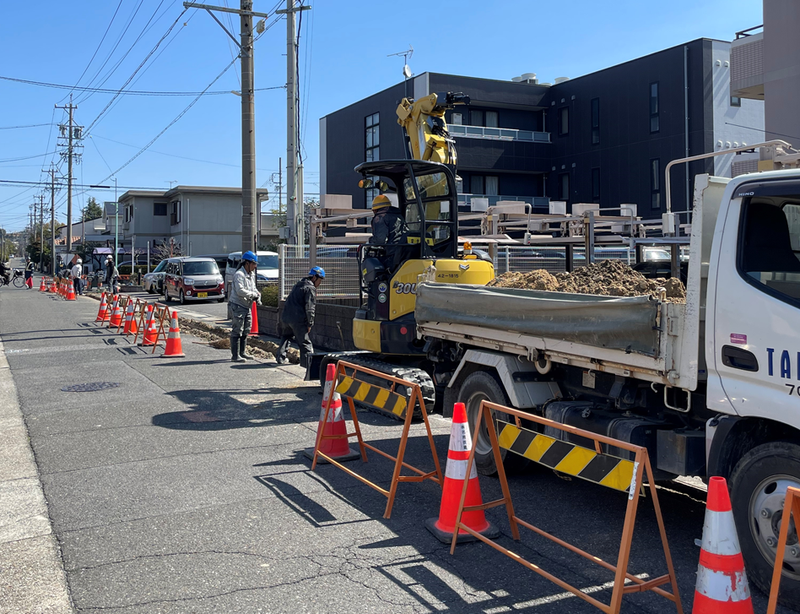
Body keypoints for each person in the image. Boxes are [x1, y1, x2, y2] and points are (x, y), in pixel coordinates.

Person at [277, 267, 324, 368]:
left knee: (286, 336)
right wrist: (309, 323)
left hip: (285, 317)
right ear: (314, 278)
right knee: (305, 342)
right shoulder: (310, 288)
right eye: (320, 280)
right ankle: (309, 365)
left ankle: (280, 358)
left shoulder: (298, 284)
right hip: (297, 319)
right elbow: (310, 308)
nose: (319, 283)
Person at [228, 250, 262, 362]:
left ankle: (242, 352)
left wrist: (257, 294)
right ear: (247, 263)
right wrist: (253, 295)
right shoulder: (239, 275)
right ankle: (235, 355)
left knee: (246, 329)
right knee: (237, 329)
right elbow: (240, 291)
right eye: (254, 264)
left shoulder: (251, 274)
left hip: (246, 306)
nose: (255, 266)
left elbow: (253, 288)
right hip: (237, 305)